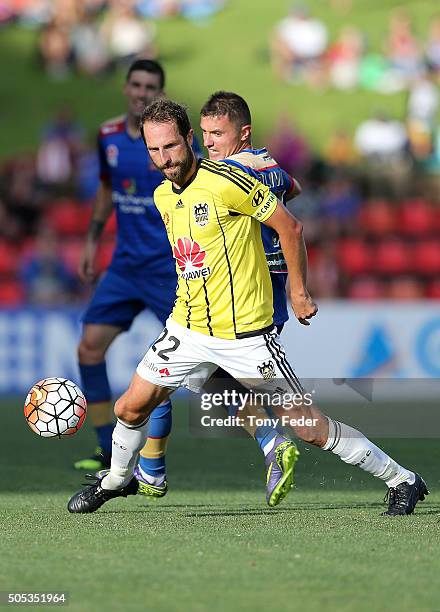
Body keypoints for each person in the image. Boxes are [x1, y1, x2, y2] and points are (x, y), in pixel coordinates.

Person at [68, 99, 428, 516]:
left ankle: (403, 480)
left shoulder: (227, 180)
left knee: (310, 428)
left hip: (246, 337)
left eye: (170, 147)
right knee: (129, 407)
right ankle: (116, 479)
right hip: (186, 330)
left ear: (189, 140)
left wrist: (298, 291)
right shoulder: (163, 195)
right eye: (153, 150)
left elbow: (290, 226)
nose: (164, 159)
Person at [75, 59, 183, 500]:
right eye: (136, 85)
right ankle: (106, 448)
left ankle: (153, 464)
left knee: (169, 368)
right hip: (123, 266)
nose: (141, 92)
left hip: (167, 268)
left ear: (160, 92)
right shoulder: (108, 137)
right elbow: (106, 188)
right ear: (125, 88)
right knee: (89, 347)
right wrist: (91, 241)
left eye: (150, 87)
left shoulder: (169, 144)